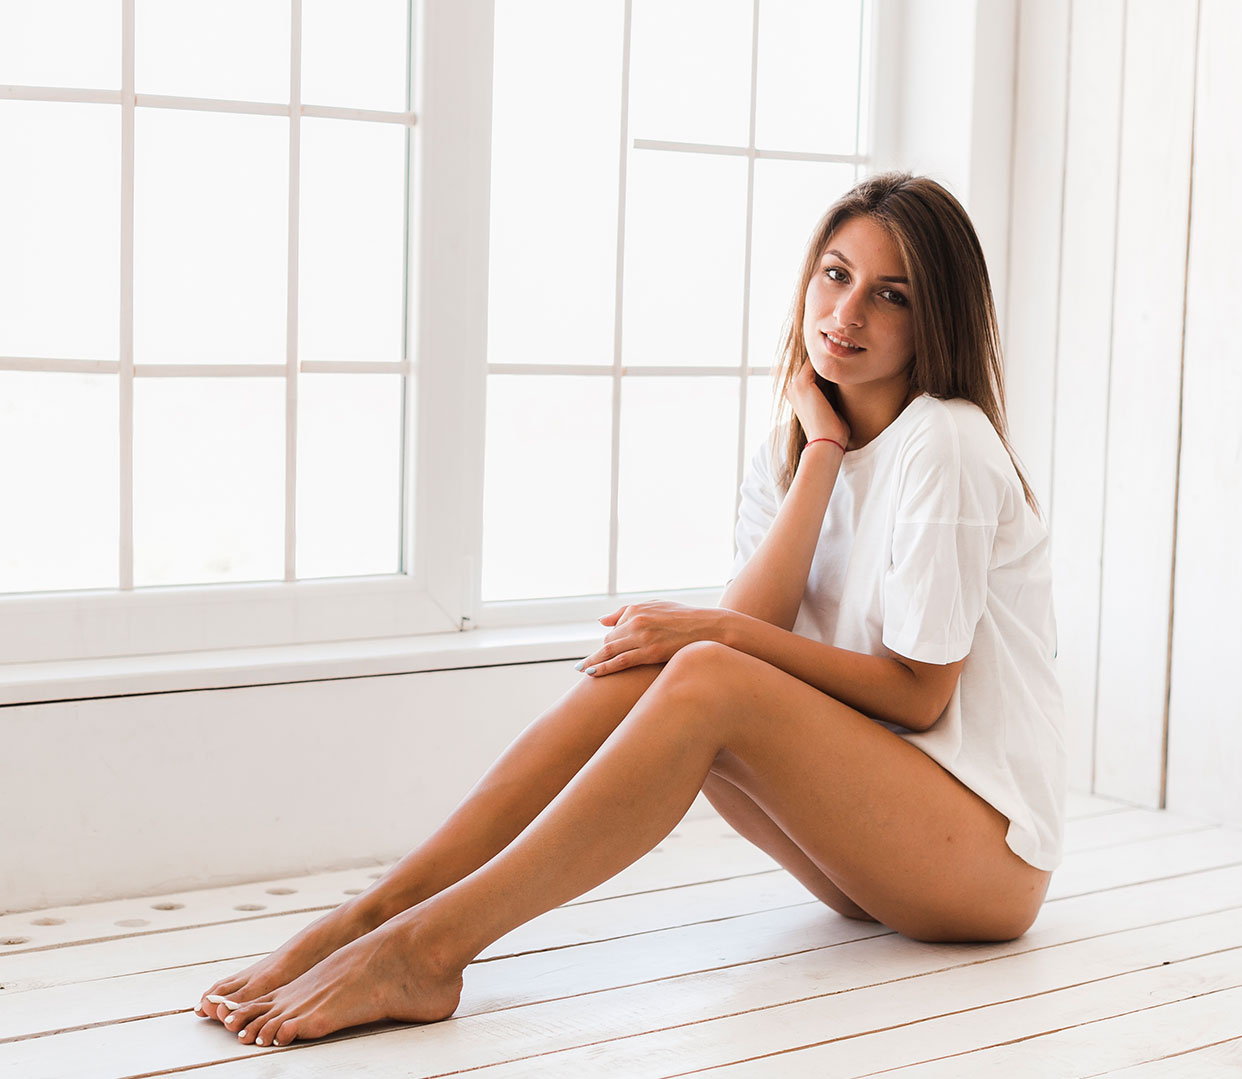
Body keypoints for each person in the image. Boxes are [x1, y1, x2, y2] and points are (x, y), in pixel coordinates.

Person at [194, 171, 1065, 1048]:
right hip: (871, 854)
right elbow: (755, 624)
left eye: (891, 295)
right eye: (835, 276)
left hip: (983, 858)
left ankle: (426, 949)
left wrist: (714, 629)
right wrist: (824, 454)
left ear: (935, 319)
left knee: (706, 668)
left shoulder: (944, 440)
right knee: (673, 664)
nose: (847, 313)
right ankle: (381, 910)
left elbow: (917, 694)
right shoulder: (794, 449)